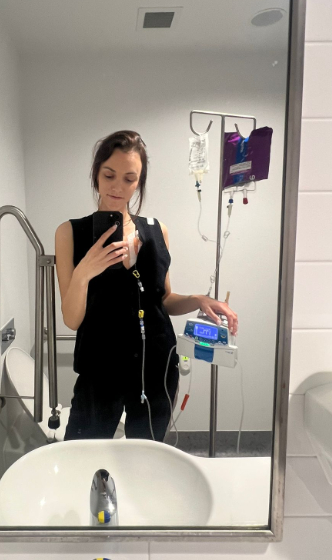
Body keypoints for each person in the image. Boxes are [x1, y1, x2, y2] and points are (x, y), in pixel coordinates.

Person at [55, 130, 238, 441]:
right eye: (109, 175)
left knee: (148, 456)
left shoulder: (157, 230)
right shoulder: (70, 233)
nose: (117, 186)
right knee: (83, 454)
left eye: (129, 179)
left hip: (156, 365)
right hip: (99, 368)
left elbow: (163, 299)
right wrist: (85, 271)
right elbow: (72, 319)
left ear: (139, 183)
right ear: (96, 173)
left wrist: (198, 299)